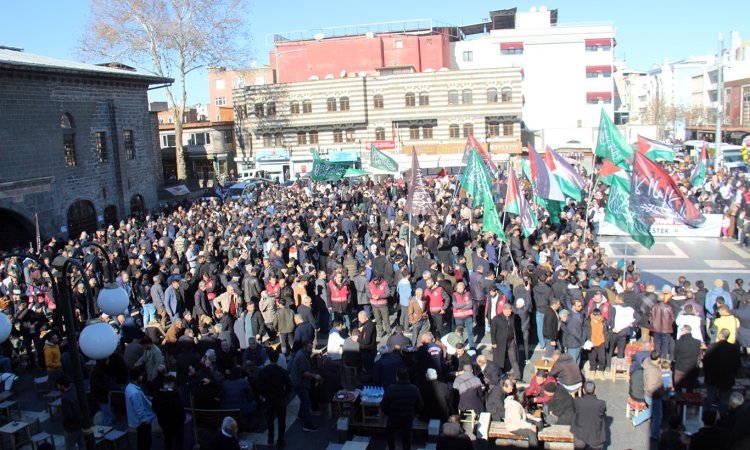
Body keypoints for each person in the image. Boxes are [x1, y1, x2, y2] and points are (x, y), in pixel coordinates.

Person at [258, 349, 293, 448]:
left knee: (269, 420)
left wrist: (263, 395)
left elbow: (259, 385)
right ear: (277, 359)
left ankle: (270, 438)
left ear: (269, 358)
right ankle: (280, 441)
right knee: (281, 421)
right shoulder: (282, 371)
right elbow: (289, 386)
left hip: (269, 399)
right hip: (280, 398)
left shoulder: (263, 371)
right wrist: (284, 394)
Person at [382, 367, 423, 450]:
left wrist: (389, 413)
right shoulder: (414, 389)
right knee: (407, 437)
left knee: (390, 435)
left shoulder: (391, 388)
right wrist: (414, 414)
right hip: (408, 418)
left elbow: (384, 405)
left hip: (393, 417)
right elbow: (420, 405)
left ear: (397, 377)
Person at [703, 328, 742, 413]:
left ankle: (710, 416)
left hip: (712, 377)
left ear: (720, 335)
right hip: (727, 378)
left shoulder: (712, 346)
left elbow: (706, 362)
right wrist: (733, 374)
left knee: (711, 399)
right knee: (724, 400)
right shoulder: (734, 349)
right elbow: (738, 364)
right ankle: (722, 417)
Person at [290, 342, 322, 432]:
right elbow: (304, 372)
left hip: (300, 382)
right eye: (309, 348)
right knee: (306, 403)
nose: (311, 350)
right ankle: (307, 425)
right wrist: (315, 376)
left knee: (304, 400)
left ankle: (300, 415)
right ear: (304, 348)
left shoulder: (303, 353)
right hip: (300, 383)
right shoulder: (301, 357)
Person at [125, 368, 156, 450]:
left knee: (141, 441)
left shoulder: (129, 387)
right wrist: (147, 420)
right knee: (146, 442)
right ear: (138, 377)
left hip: (138, 421)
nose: (142, 377)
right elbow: (140, 410)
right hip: (143, 422)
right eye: (141, 376)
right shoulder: (135, 393)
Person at [152, 374, 185, 450]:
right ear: (173, 384)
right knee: (178, 442)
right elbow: (180, 410)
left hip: (163, 423)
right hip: (176, 424)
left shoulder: (157, 393)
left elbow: (154, 408)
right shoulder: (175, 394)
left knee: (167, 441)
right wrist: (182, 420)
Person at [571, 381, 607, 450]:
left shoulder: (577, 401)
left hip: (580, 433)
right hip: (595, 435)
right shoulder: (601, 403)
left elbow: (574, 410)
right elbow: (603, 411)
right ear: (595, 391)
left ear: (583, 391)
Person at [490, 302, 521, 378]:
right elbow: (493, 331)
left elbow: (517, 328)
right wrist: (494, 342)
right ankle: (500, 374)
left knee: (514, 358)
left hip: (511, 341)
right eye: (508, 311)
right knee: (500, 359)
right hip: (500, 342)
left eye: (510, 311)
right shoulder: (497, 318)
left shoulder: (513, 316)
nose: (509, 313)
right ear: (503, 310)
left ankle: (517, 375)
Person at [57, 376, 85, 450]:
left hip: (71, 428)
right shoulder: (75, 390)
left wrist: (64, 421)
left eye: (58, 385)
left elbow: (68, 415)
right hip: (81, 423)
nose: (58, 387)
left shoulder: (65, 398)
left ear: (62, 386)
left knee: (70, 447)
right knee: (82, 445)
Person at [672, 324, 701, 391]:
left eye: (681, 330)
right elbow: (697, 354)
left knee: (678, 387)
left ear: (684, 331)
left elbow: (675, 354)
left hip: (680, 366)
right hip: (692, 367)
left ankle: (679, 400)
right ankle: (689, 399)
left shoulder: (678, 342)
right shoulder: (697, 342)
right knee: (690, 387)